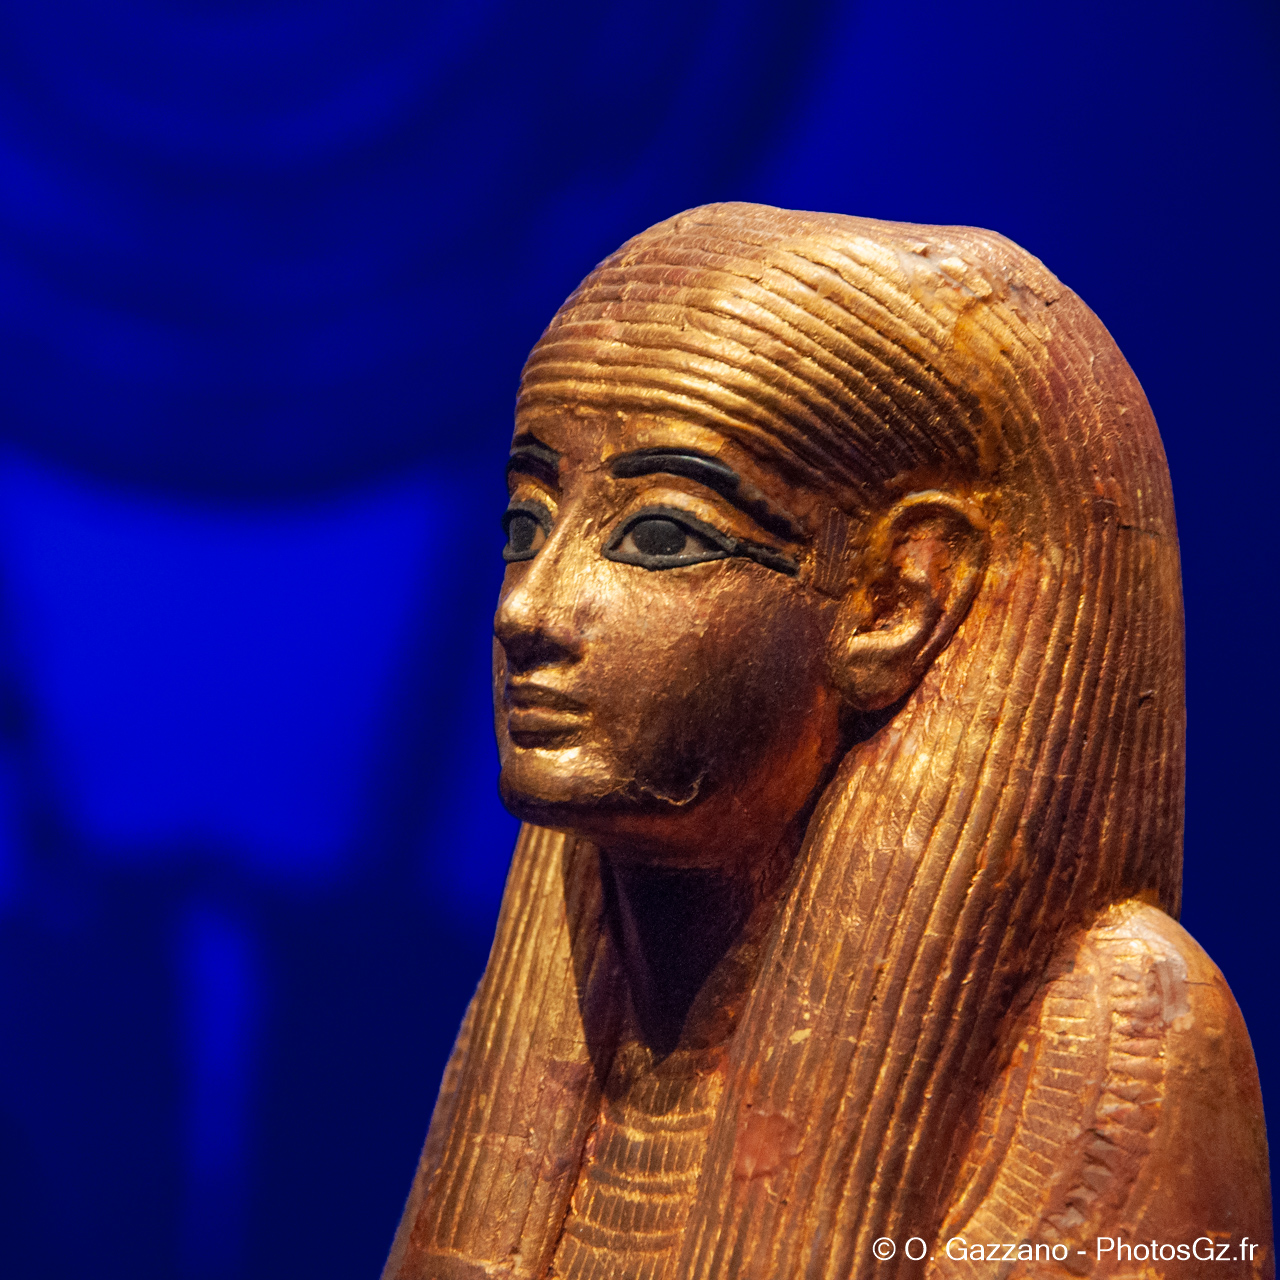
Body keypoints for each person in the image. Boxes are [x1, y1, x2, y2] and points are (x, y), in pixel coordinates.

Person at [384, 203, 1271, 1279]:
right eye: (527, 523)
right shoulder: (591, 982)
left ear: (899, 600)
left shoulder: (1112, 1035)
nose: (526, 608)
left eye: (658, 536)